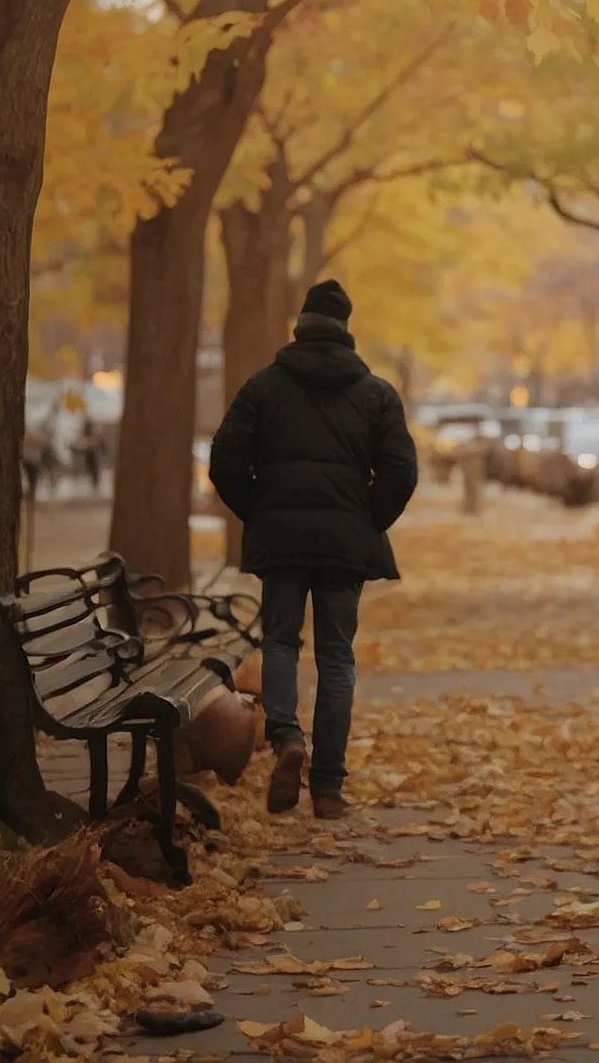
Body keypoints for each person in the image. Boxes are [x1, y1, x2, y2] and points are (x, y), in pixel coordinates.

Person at [209, 279, 418, 821]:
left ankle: (285, 739)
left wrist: (260, 509)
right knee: (337, 657)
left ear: (300, 326)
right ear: (346, 330)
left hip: (281, 540)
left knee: (279, 641)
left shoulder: (264, 387)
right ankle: (327, 787)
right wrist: (366, 519)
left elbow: (226, 460)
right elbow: (400, 471)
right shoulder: (375, 393)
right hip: (343, 543)